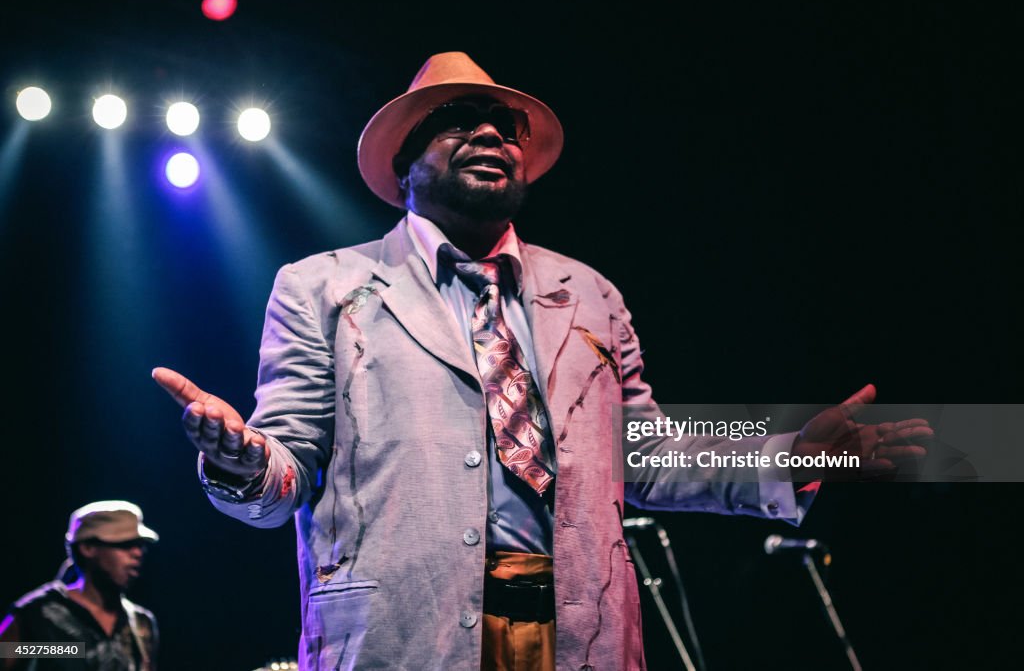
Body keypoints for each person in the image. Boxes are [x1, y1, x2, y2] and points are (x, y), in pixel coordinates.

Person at [152, 52, 930, 670]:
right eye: (460, 120)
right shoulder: (326, 286)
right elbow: (283, 475)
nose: (492, 135)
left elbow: (646, 456)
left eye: (505, 125)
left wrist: (794, 455)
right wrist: (243, 459)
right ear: (402, 166)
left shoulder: (587, 293)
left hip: (578, 635)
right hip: (403, 635)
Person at [0, 501, 159, 671]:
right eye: (125, 544)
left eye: (140, 545)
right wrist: (64, 650)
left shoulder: (141, 625)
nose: (138, 553)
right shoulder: (38, 615)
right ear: (88, 548)